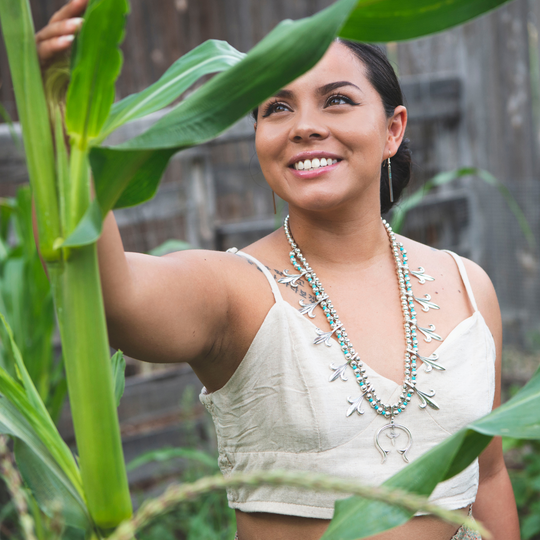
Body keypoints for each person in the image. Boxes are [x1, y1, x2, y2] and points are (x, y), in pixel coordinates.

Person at [35, 1, 519, 539]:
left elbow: (491, 476)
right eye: (276, 108)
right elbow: (109, 294)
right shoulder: (235, 292)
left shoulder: (467, 285)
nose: (305, 127)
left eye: (337, 100)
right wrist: (57, 119)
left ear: (393, 130)